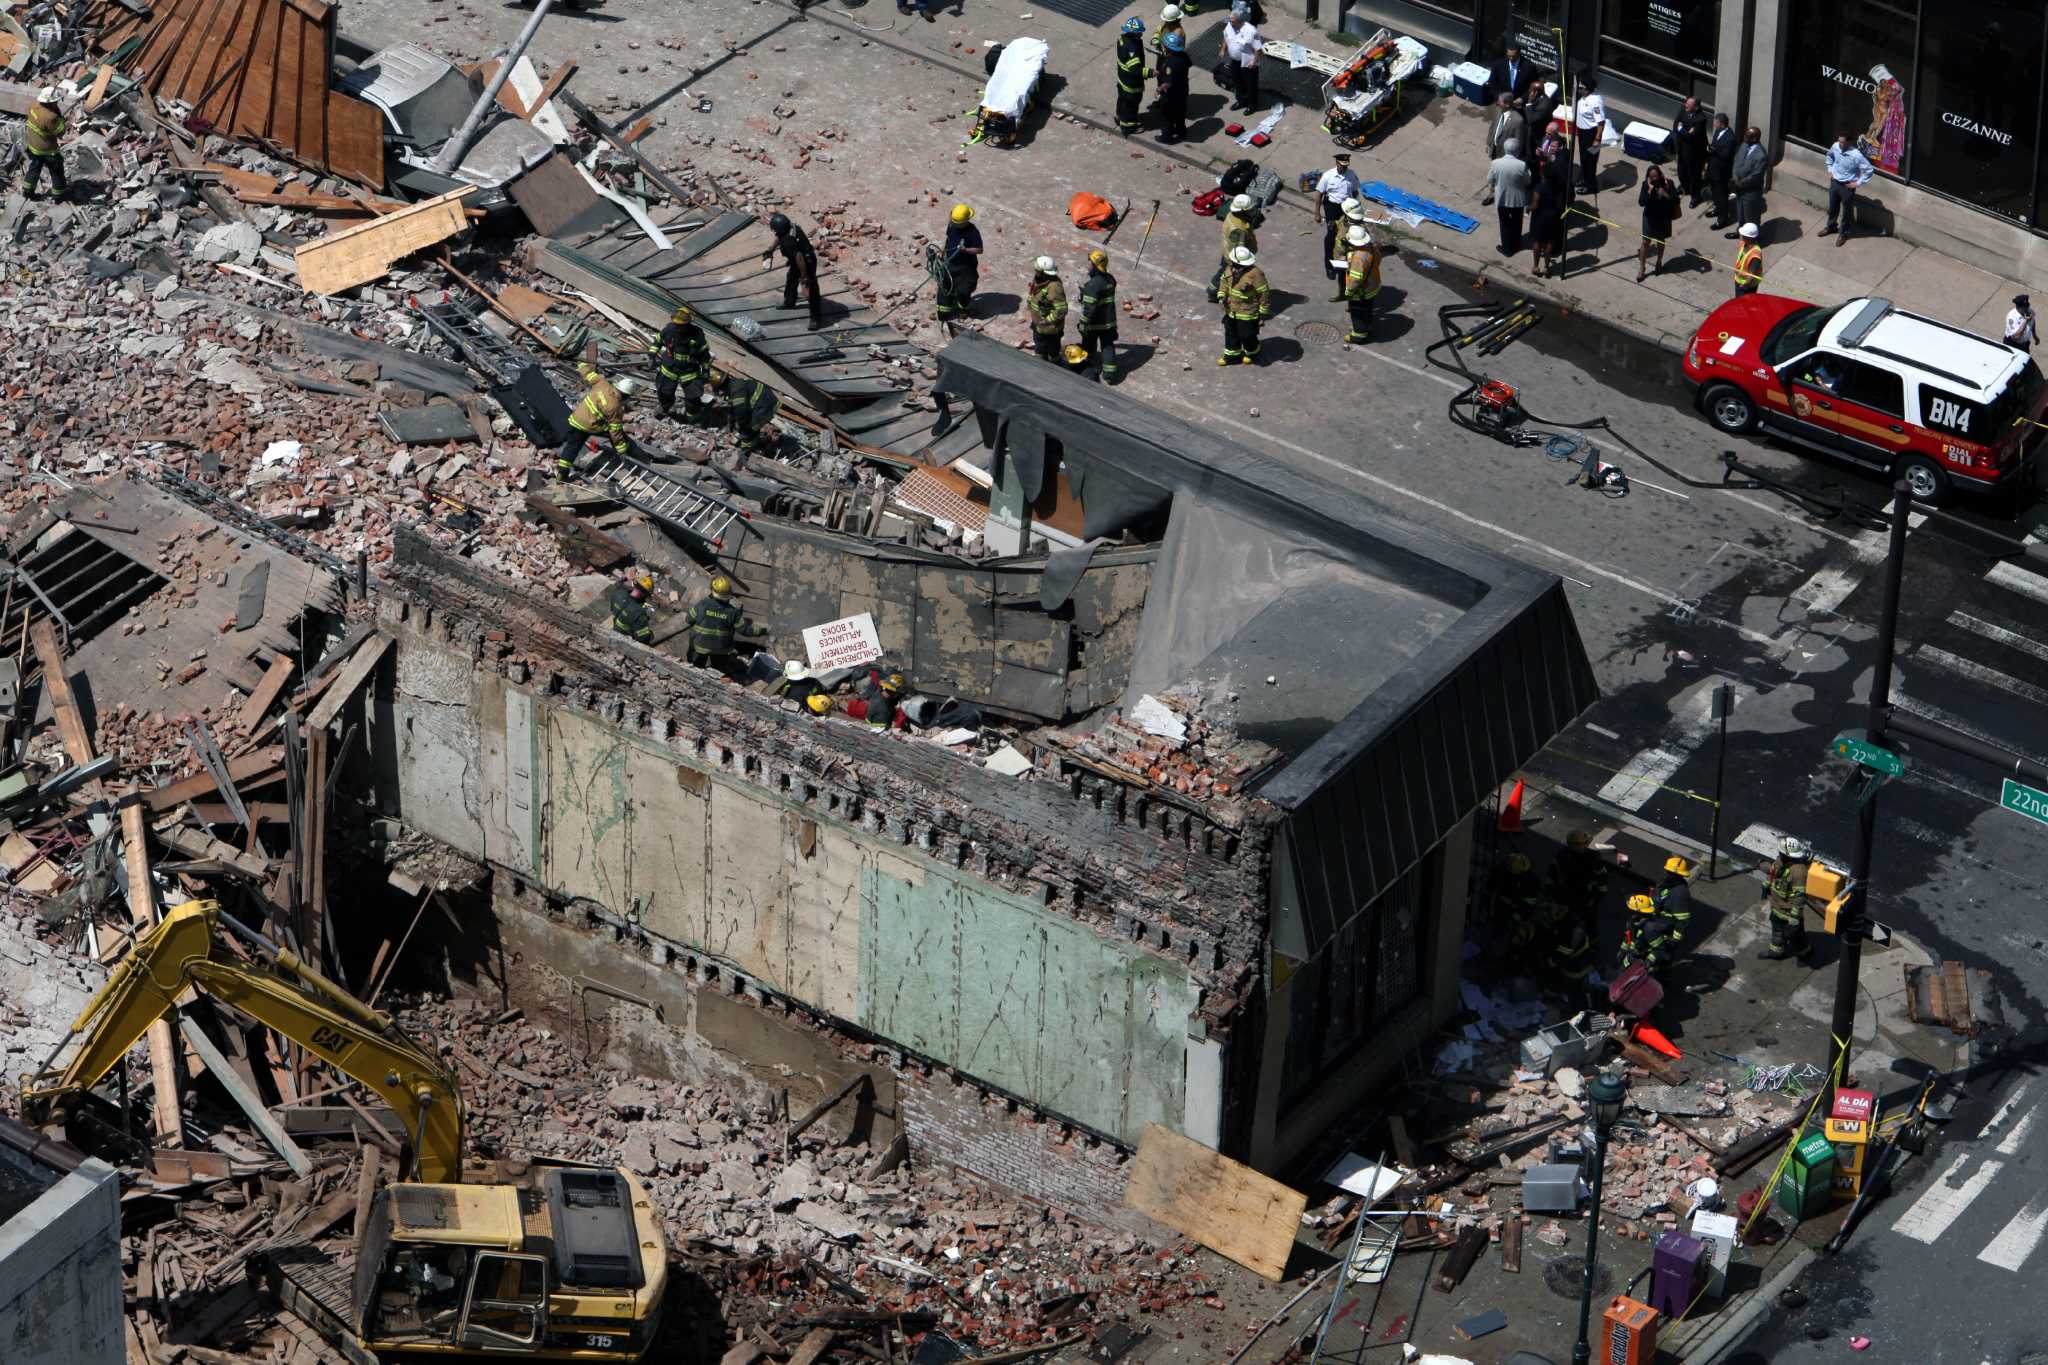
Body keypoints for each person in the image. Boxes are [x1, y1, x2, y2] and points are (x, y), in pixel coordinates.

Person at [558, 362, 627, 478]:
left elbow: (588, 374)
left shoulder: (602, 383)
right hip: (589, 426)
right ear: (626, 396)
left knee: (572, 446)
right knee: (612, 430)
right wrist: (622, 449)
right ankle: (622, 454)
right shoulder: (616, 407)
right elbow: (615, 432)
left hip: (576, 418)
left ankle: (562, 472)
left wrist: (582, 365)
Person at [686, 575, 761, 676]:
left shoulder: (702, 604)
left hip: (700, 646)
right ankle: (717, 677)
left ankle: (694, 673)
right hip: (721, 649)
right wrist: (762, 631)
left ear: (713, 590)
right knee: (719, 669)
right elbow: (743, 630)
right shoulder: (733, 612)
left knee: (695, 666)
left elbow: (688, 619)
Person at [649, 305, 712, 422]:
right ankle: (665, 409)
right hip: (670, 368)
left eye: (681, 325)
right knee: (664, 392)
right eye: (677, 324)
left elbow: (704, 355)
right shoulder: (669, 329)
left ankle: (692, 418)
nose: (678, 327)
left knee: (693, 397)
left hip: (689, 371)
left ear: (688, 323)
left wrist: (706, 371)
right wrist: (652, 356)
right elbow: (657, 340)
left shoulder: (697, 334)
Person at [764, 212, 823, 330]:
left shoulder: (789, 240)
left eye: (775, 229)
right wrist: (771, 249)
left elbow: (799, 257)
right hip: (799, 258)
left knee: (810, 290)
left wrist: (804, 276)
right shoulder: (790, 226)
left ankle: (815, 318)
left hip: (806, 262)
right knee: (791, 278)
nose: (774, 231)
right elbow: (778, 236)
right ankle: (789, 302)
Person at [1546, 829, 1609, 940]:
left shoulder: (1561, 856)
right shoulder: (1593, 858)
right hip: (1580, 897)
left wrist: (1550, 893)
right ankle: (1590, 940)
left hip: (1570, 896)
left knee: (1577, 920)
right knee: (1586, 921)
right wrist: (1597, 896)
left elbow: (1552, 875)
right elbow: (1602, 877)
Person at [1757, 836, 1811, 961]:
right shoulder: (1780, 862)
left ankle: (1805, 953)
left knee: (1796, 937)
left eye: (1781, 853)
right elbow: (1772, 873)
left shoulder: (1799, 871)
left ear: (1788, 856)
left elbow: (1800, 896)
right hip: (1777, 907)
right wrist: (1765, 882)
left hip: (1789, 912)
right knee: (1777, 931)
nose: (1779, 854)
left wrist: (1794, 919)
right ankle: (1776, 951)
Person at [1314, 152, 1362, 288]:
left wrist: (1356, 206)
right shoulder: (1328, 176)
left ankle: (1345, 262)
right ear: (1337, 163)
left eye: (1346, 165)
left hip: (1346, 207)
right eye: (1342, 165)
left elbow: (1355, 191)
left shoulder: (1351, 175)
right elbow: (1319, 194)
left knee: (1348, 235)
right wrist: (1317, 213)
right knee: (1331, 235)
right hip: (1332, 207)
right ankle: (1329, 266)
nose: (1344, 168)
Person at [1217, 245, 1270, 366]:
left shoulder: (1256, 274)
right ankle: (1232, 357)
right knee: (1230, 333)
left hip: (1247, 312)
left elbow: (1263, 293)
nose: (1235, 266)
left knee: (1247, 335)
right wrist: (1221, 295)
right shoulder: (1229, 270)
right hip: (1231, 310)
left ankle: (1252, 352)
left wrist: (1263, 313)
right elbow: (1223, 283)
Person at [708, 368, 781, 454]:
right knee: (746, 425)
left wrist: (740, 429)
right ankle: (753, 441)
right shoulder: (734, 385)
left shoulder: (736, 391)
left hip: (766, 407)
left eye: (719, 390)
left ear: (721, 386)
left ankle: (745, 451)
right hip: (763, 404)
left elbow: (741, 413)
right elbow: (733, 409)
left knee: (748, 429)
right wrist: (731, 426)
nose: (720, 393)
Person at [1076, 249, 1121, 384]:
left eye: (1090, 261)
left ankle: (1091, 369)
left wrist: (1083, 324)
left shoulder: (1093, 285)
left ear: (1095, 265)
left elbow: (1089, 308)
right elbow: (1103, 296)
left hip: (1095, 324)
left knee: (1089, 346)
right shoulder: (1111, 280)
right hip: (1109, 322)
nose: (1088, 264)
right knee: (1107, 346)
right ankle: (1110, 375)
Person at [1821, 130, 1874, 243]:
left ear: (1849, 142)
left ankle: (1844, 233)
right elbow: (1829, 157)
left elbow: (1869, 170)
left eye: (1843, 142)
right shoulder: (1835, 146)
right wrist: (1830, 170)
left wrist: (1858, 183)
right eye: (1839, 141)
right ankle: (1831, 227)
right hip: (1835, 183)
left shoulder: (1856, 155)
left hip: (1847, 187)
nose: (1840, 144)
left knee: (1846, 212)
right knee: (1832, 207)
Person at [1528, 136, 1570, 278]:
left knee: (1537, 242)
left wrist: (1529, 208)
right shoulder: (1557, 188)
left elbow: (1534, 205)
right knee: (1549, 243)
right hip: (1553, 218)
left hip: (1540, 218)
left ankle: (1535, 266)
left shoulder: (1540, 188)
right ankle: (1547, 267)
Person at [1210, 192, 1261, 302]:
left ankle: (1217, 292)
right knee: (1226, 276)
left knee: (1224, 273)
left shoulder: (1234, 216)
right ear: (1242, 211)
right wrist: (1239, 264)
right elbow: (1237, 250)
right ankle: (1213, 293)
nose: (1252, 212)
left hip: (1229, 254)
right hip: (1233, 259)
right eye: (1249, 210)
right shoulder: (1238, 230)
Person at [938, 202, 983, 323]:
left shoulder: (972, 231)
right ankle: (943, 313)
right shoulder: (952, 225)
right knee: (944, 287)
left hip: (965, 267)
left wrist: (966, 250)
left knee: (964, 290)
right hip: (950, 263)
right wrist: (943, 251)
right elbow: (948, 238)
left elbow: (979, 250)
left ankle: (963, 309)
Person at [1617, 893, 1680, 978]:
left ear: (1639, 911)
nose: (1631, 912)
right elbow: (1628, 938)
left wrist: (1648, 961)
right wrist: (1622, 950)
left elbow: (1660, 950)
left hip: (1644, 960)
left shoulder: (1650, 929)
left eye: (1633, 910)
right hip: (1633, 956)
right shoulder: (1633, 921)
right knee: (1622, 975)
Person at [1486, 138, 1531, 257]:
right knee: (1517, 222)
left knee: (1504, 224)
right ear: (1517, 150)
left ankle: (1507, 248)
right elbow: (1527, 181)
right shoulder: (1522, 165)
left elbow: (1490, 179)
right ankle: (1516, 244)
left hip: (1502, 199)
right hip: (1518, 199)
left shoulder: (1496, 163)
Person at [1339, 224, 1383, 345]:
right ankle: (1368, 327)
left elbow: (1355, 280)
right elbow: (1377, 260)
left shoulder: (1358, 259)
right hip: (1373, 286)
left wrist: (1348, 292)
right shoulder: (1372, 248)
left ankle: (1359, 335)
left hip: (1361, 292)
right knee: (1368, 309)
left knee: (1357, 313)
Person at [22, 87, 67, 200]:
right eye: (55, 101)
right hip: (48, 150)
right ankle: (58, 195)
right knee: (57, 172)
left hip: (33, 145)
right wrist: (61, 119)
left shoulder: (33, 105)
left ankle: (27, 191)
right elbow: (60, 132)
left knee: (34, 168)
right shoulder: (51, 117)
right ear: (51, 102)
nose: (57, 102)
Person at [1637, 164, 1678, 281]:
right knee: (1645, 242)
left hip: (1663, 218)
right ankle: (1642, 267)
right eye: (1651, 177)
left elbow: (1676, 199)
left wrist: (1665, 194)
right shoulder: (1646, 185)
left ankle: (1659, 262)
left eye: (1655, 176)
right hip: (1649, 217)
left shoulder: (1668, 184)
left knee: (1660, 241)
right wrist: (1649, 191)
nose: (1654, 179)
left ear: (1660, 175)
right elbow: (1641, 202)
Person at [1223, 4, 1263, 113]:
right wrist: (1223, 49)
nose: (1230, 23)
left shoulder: (1251, 31)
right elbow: (1226, 36)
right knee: (1237, 82)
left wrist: (1254, 62)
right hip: (1235, 61)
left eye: (1232, 21)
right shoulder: (1230, 26)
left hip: (1248, 63)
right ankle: (1241, 101)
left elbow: (1258, 49)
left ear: (1239, 21)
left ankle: (1252, 105)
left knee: (1251, 85)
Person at [1027, 257, 1068, 363]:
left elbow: (1061, 310)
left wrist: (1047, 320)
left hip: (1050, 330)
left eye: (1037, 270)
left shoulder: (1054, 287)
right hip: (1039, 325)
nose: (1035, 272)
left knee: (1051, 353)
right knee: (1040, 348)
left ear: (1044, 273)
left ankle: (1052, 368)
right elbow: (1035, 294)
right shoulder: (1040, 279)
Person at [1730, 126, 1767, 240]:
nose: (1744, 137)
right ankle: (1741, 232)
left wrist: (1740, 183)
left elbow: (1755, 176)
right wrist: (1735, 177)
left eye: (1747, 136)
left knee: (1751, 216)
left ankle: (1753, 240)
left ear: (1755, 138)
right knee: (1741, 213)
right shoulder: (1744, 144)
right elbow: (1736, 161)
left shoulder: (1761, 155)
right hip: (1739, 188)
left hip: (1750, 192)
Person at [1114, 17, 1149, 135]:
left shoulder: (1122, 39)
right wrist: (1150, 72)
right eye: (1139, 33)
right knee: (1131, 104)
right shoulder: (1132, 48)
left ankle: (1120, 117)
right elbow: (1135, 70)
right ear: (1133, 33)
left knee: (1122, 101)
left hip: (1122, 79)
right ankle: (1128, 126)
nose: (1141, 35)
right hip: (1131, 83)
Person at [1672, 96, 1709, 206]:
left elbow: (1691, 137)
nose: (1686, 105)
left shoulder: (1701, 118)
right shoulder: (1683, 109)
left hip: (1695, 153)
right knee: (1681, 171)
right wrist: (1685, 131)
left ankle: (1695, 196)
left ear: (1696, 107)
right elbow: (1676, 124)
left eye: (1689, 104)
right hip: (1682, 148)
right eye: (1686, 103)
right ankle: (1685, 187)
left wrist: (1681, 129)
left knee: (1694, 176)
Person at [1572, 77, 1607, 194]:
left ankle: (1591, 186)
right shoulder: (1583, 97)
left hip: (1592, 135)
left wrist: (1597, 139)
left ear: (1587, 89)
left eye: (1581, 87)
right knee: (1584, 159)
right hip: (1583, 133)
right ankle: (1584, 179)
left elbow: (1601, 122)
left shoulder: (1595, 102)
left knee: (1590, 162)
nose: (1578, 89)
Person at [1155, 30, 1191, 143]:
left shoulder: (1170, 63)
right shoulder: (1184, 56)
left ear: (1169, 48)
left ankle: (1167, 137)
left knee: (1167, 116)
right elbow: (1188, 65)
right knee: (1180, 113)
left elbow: (1168, 83)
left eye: (1165, 45)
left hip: (1171, 95)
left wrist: (1158, 90)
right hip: (1183, 90)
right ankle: (1181, 132)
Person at [1654, 855, 1696, 951]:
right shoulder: (1664, 882)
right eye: (1668, 871)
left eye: (1671, 873)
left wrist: (1674, 939)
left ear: (1679, 876)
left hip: (1666, 925)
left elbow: (1683, 920)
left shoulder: (1680, 893)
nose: (1667, 874)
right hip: (1656, 916)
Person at [1705, 113, 1738, 229]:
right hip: (1713, 169)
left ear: (1722, 124)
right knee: (1715, 193)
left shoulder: (1730, 138)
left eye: (1715, 122)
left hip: (1721, 172)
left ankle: (1722, 220)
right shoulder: (1718, 132)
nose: (1713, 124)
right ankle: (1717, 209)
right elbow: (1715, 145)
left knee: (1722, 196)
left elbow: (1726, 155)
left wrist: (1714, 151)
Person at [609, 574, 655, 644]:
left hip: (616, 624)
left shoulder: (618, 593)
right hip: (625, 637)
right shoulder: (639, 612)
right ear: (643, 594)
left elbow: (613, 609)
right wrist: (649, 634)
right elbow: (642, 638)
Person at [1733, 223, 1763, 296]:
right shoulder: (1744, 243)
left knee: (1743, 304)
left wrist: (1744, 286)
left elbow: (1751, 275)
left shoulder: (1755, 255)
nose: (1741, 235)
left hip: (1747, 286)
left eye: (1743, 235)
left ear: (1748, 237)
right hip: (1739, 280)